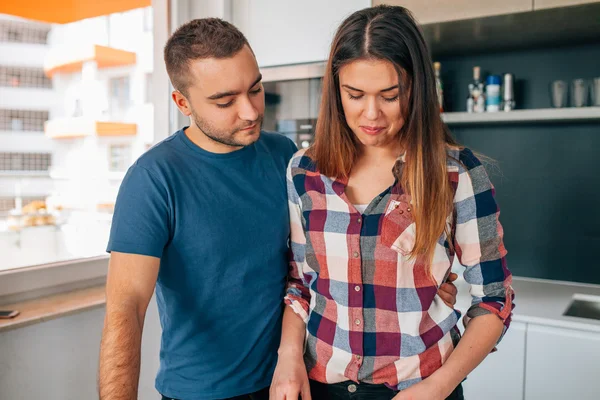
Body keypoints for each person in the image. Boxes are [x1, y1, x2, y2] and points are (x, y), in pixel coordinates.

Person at [98, 17, 459, 400]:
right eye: (225, 101)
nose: (251, 111)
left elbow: (317, 267)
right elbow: (126, 310)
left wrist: (418, 283)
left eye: (255, 90)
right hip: (202, 391)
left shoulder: (286, 157)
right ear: (182, 102)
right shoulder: (153, 180)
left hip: (295, 380)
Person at [270, 5, 515, 400]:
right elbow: (301, 285)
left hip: (420, 387)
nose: (371, 114)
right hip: (320, 385)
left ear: (416, 88)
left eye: (390, 95)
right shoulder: (304, 170)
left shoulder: (456, 174)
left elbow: (494, 299)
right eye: (355, 95)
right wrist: (287, 359)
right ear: (336, 92)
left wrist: (438, 386)